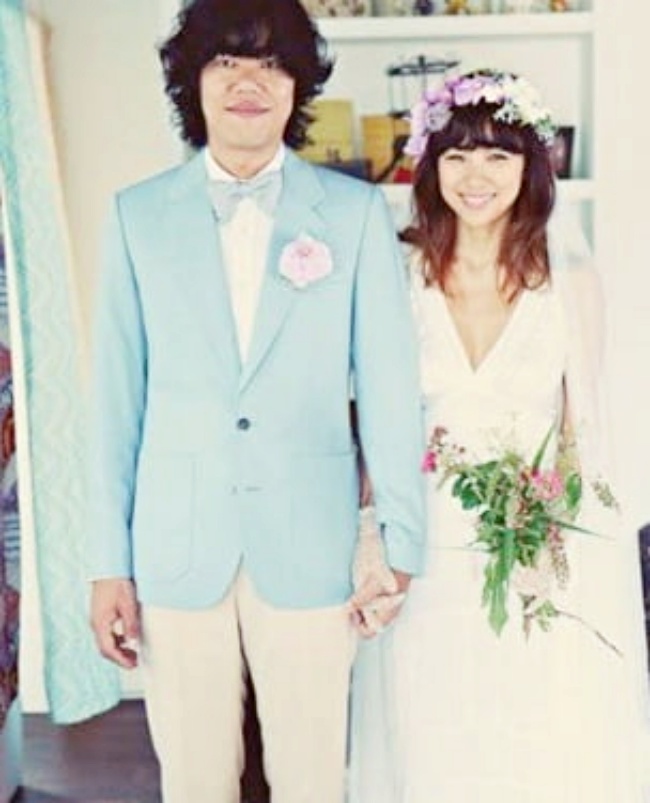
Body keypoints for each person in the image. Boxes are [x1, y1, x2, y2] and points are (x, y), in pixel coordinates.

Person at [85, 1, 426, 801]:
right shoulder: (137, 216)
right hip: (176, 543)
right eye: (227, 61)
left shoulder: (354, 214)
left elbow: (389, 387)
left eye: (272, 64)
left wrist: (399, 540)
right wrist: (106, 563)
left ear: (297, 85)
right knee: (195, 780)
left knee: (311, 778)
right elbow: (114, 403)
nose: (250, 82)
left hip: (312, 542)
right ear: (193, 81)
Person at [348, 68, 650, 802]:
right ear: (431, 166)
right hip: (422, 544)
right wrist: (371, 534)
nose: (475, 176)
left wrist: (553, 540)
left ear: (530, 166)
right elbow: (379, 419)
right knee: (430, 727)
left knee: (531, 730)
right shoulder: (400, 273)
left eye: (497, 155)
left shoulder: (569, 281)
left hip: (533, 544)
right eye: (456, 155)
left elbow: (581, 429)